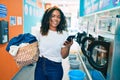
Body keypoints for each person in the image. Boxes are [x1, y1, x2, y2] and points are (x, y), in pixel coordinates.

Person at [34, 6, 73, 80]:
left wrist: (68, 47)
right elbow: (35, 48)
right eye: (53, 16)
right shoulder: (40, 32)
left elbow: (64, 56)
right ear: (48, 18)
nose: (56, 19)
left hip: (55, 68)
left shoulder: (64, 34)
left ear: (61, 19)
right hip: (40, 65)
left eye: (58, 17)